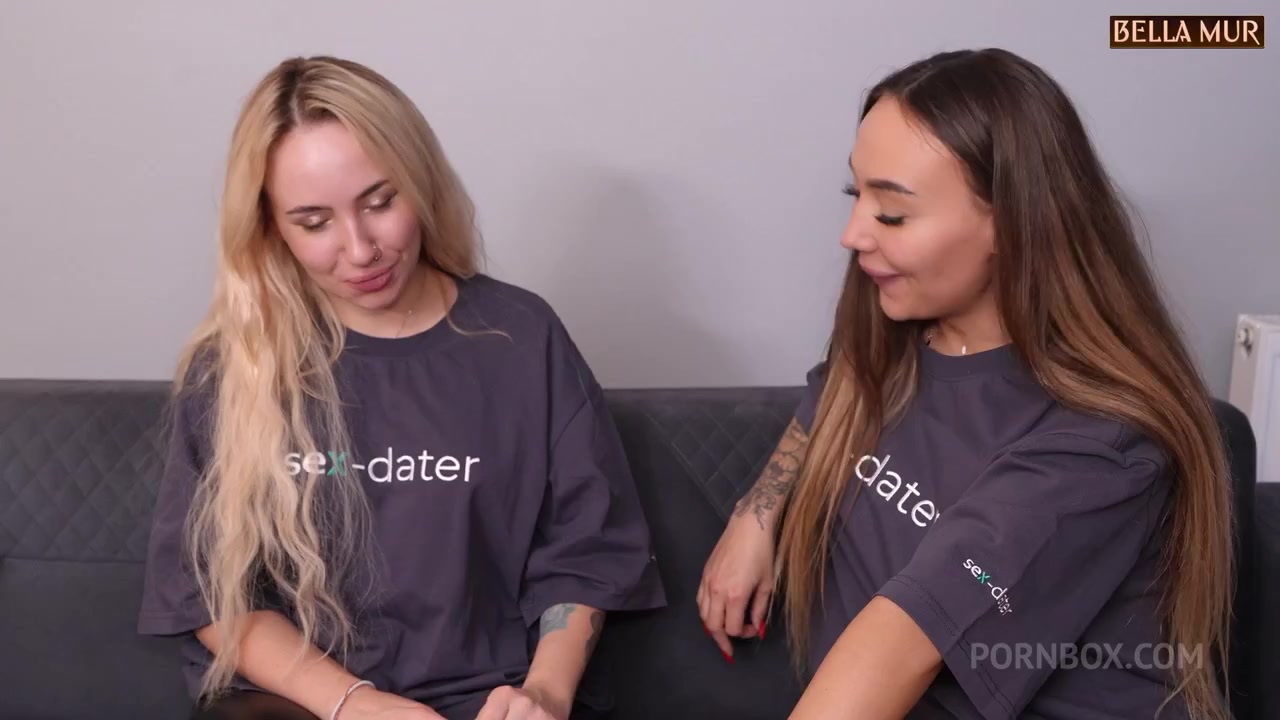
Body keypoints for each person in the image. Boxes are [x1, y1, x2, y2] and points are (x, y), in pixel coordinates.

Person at [697, 48, 1234, 720]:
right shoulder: (899, 331)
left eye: (892, 213)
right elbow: (833, 395)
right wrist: (756, 513)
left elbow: (904, 638)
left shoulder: (1102, 443)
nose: (852, 234)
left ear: (1012, 223)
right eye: (855, 196)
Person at [138, 55, 666, 720]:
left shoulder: (521, 336)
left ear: (421, 182)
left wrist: (544, 695)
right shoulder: (233, 366)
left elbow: (587, 551)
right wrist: (357, 705)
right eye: (314, 222)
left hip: (494, 701)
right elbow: (212, 596)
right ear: (271, 226)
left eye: (380, 202)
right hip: (302, 705)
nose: (360, 249)